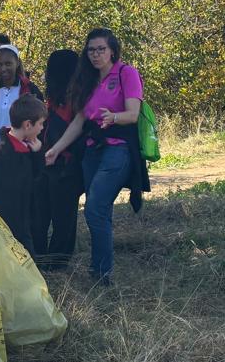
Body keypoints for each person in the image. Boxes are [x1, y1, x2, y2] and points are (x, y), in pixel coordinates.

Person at [45, 28, 150, 283]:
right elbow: (79, 120)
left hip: (118, 148)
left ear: (112, 50)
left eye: (101, 49)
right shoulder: (87, 79)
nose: (95, 54)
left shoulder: (126, 73)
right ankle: (99, 268)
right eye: (91, 50)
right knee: (101, 210)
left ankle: (101, 273)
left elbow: (133, 114)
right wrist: (56, 148)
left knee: (94, 209)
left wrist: (113, 117)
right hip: (92, 150)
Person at [33, 49, 82, 270]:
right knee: (42, 214)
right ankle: (42, 257)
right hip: (46, 164)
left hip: (65, 166)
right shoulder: (53, 99)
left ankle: (56, 262)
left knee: (63, 217)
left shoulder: (77, 99)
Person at [0, 95, 46, 254]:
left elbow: (35, 177)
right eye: (40, 124)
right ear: (28, 125)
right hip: (10, 229)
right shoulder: (6, 155)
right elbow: (4, 199)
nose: (42, 128)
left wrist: (38, 154)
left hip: (23, 222)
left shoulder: (23, 147)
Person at [0, 44, 38, 147]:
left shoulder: (30, 90)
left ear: (17, 63)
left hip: (21, 152)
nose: (3, 68)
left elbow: (38, 122)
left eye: (8, 64)